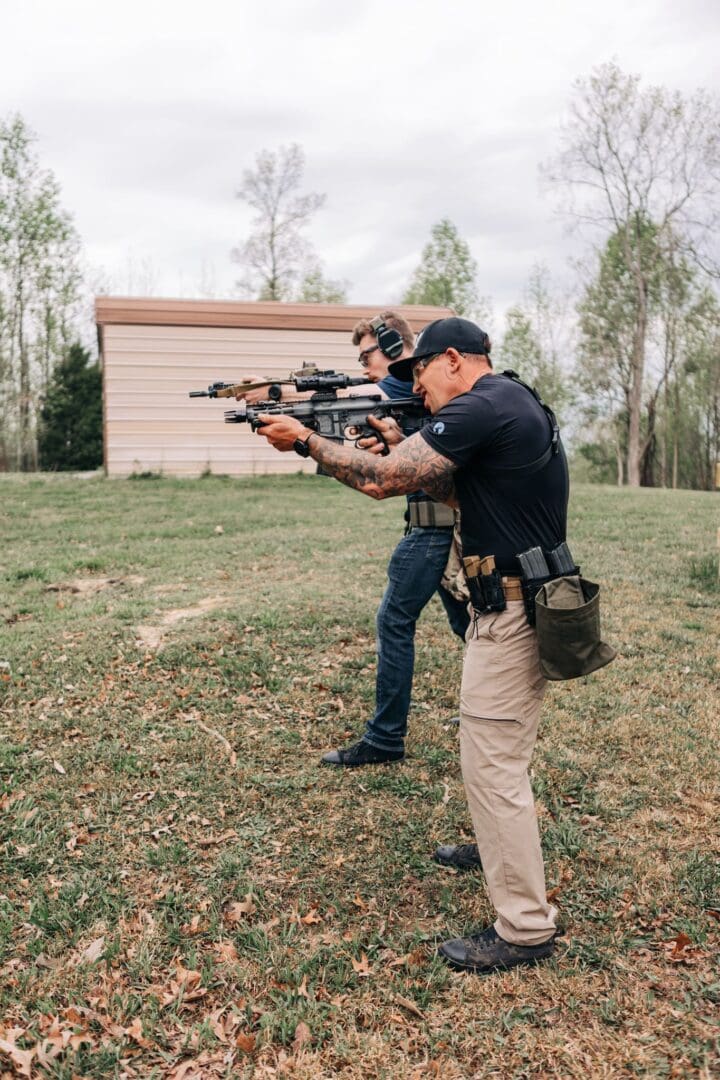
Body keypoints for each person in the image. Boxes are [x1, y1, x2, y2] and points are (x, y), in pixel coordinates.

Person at [253, 316, 568, 974]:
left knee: (493, 765)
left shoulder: (484, 406)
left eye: (418, 374)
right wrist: (396, 445)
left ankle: (527, 927)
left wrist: (308, 439)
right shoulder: (508, 402)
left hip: (509, 608)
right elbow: (430, 485)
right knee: (497, 758)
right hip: (515, 600)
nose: (415, 391)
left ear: (453, 359)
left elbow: (386, 480)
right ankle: (498, 849)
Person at [236, 311, 470, 767]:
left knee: (394, 621)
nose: (363, 365)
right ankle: (484, 710)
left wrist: (276, 392)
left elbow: (370, 394)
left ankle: (385, 738)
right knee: (467, 625)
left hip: (435, 528)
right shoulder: (409, 392)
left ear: (393, 345)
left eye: (368, 354)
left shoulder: (407, 385)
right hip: (441, 523)